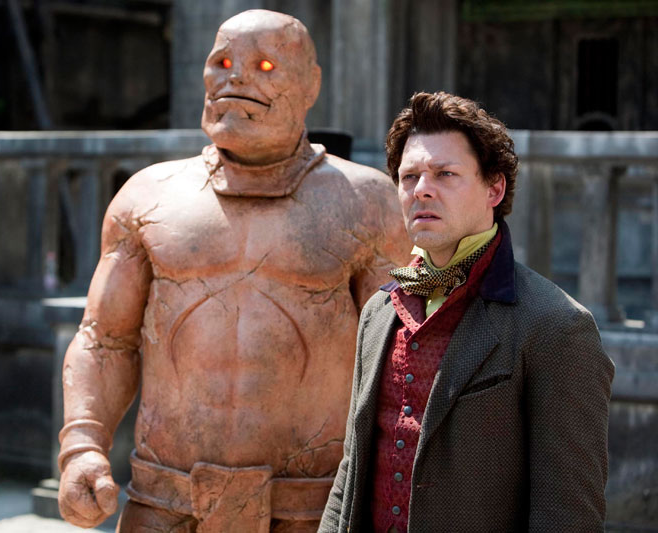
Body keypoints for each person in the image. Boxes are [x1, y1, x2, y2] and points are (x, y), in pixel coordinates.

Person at [56, 9, 411, 533]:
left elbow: (403, 356)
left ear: (310, 84)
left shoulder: (368, 203)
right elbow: (104, 340)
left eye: (264, 65)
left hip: (312, 510)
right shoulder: (147, 197)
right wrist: (83, 446)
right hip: (165, 502)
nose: (235, 78)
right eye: (221, 63)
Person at [319, 91, 615, 532]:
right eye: (409, 176)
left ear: (494, 188)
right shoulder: (379, 311)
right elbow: (352, 471)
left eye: (445, 174)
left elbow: (566, 515)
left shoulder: (556, 326)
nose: (422, 189)